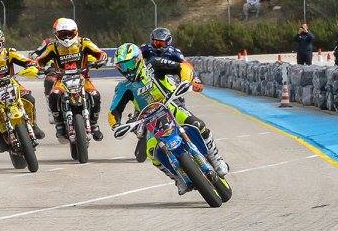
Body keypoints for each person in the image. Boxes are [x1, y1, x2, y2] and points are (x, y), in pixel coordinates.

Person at [109, 43, 228, 193]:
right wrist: (116, 125)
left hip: (170, 106)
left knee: (198, 124)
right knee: (151, 152)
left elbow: (182, 67)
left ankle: (216, 160)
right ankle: (177, 178)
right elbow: (114, 111)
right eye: (123, 66)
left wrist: (185, 80)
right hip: (149, 120)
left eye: (130, 63)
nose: (128, 69)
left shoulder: (153, 65)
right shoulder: (123, 87)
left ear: (138, 59)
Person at [34, 18, 108, 141]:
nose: (67, 37)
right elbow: (40, 60)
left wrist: (101, 60)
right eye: (63, 34)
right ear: (57, 34)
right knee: (54, 95)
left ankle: (94, 124)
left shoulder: (84, 42)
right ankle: (59, 124)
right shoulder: (53, 46)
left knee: (95, 95)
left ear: (75, 32)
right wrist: (40, 67)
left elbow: (100, 53)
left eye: (69, 34)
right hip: (61, 80)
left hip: (83, 78)